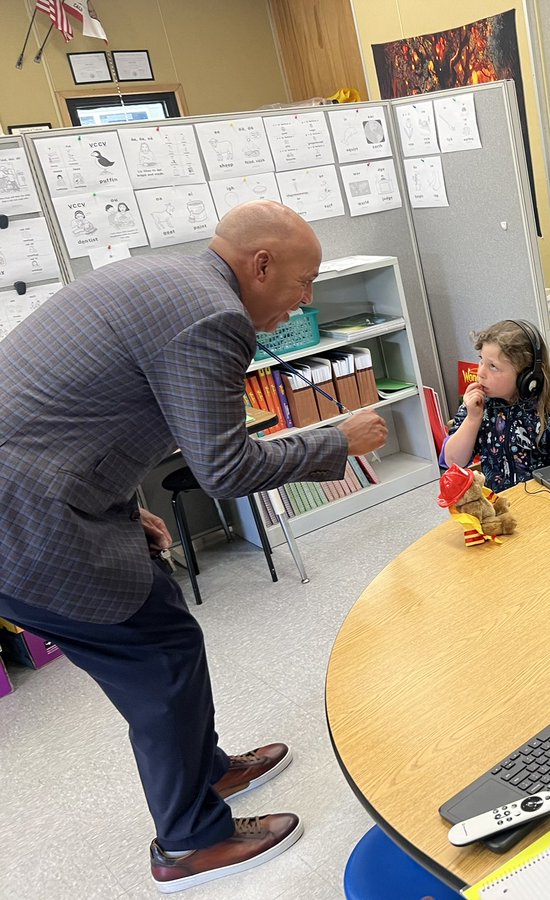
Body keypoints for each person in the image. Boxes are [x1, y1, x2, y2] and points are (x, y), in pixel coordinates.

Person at [0, 199, 388, 892]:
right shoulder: (214, 316)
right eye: (303, 282)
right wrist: (336, 441)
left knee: (166, 624)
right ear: (259, 264)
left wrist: (123, 508)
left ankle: (207, 769)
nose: (304, 300)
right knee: (156, 657)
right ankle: (187, 842)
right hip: (26, 527)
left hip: (47, 495)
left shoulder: (171, 281)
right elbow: (226, 469)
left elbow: (84, 412)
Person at [442, 319, 550, 492]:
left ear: (527, 376)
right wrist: (473, 419)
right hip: (501, 506)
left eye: (493, 366)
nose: (480, 372)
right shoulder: (478, 407)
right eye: (481, 361)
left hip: (545, 505)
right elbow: (453, 460)